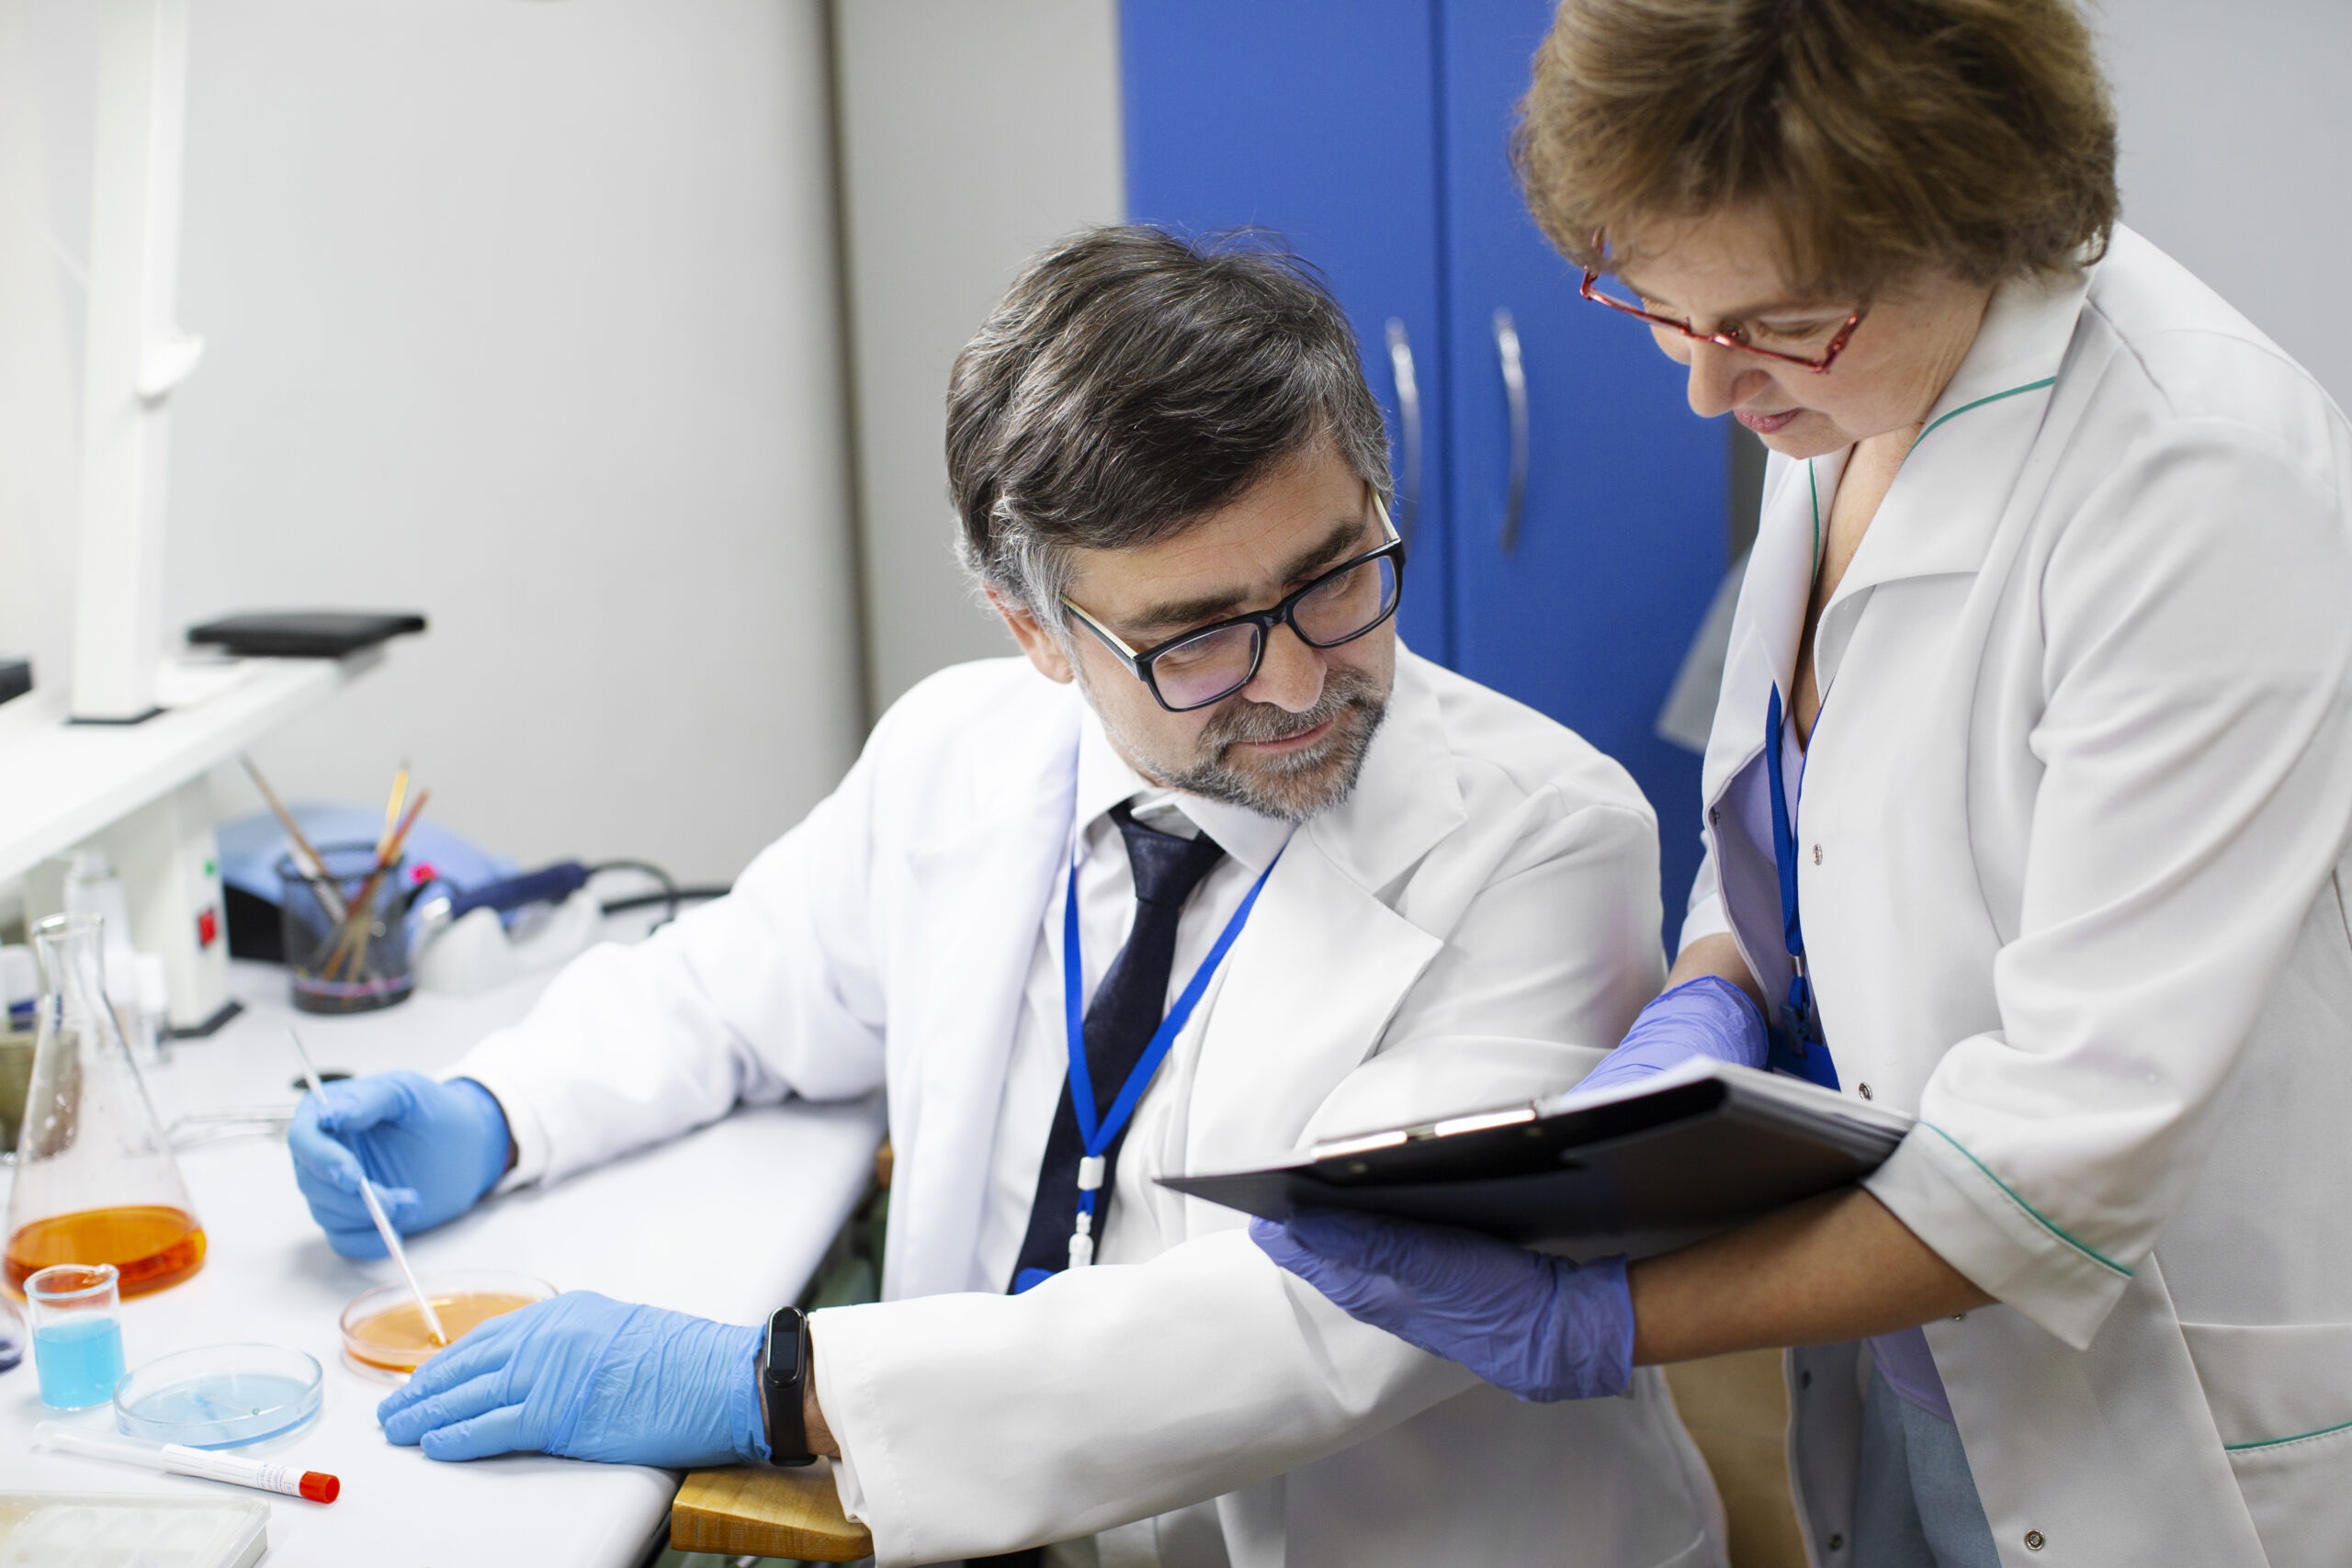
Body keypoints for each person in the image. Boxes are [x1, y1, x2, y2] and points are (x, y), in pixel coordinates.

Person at [286, 227, 1729, 1568]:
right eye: (1195, 638)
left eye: (1334, 577)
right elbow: (736, 988)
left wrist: (780, 1387)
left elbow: (1325, 1312)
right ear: (1037, 631)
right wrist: (499, 1109)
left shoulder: (1547, 839)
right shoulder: (956, 753)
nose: (1297, 684)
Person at [1253, 3, 2352, 1566]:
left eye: (1773, 323)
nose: (1709, 392)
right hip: (1905, 1345)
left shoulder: (2198, 482)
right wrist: (1716, 983)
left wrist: (1606, 1318)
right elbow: (1800, 808)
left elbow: (2062, 1158)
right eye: (1657, 305)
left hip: (2143, 1402)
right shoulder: (1842, 386)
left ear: (1978, 218)